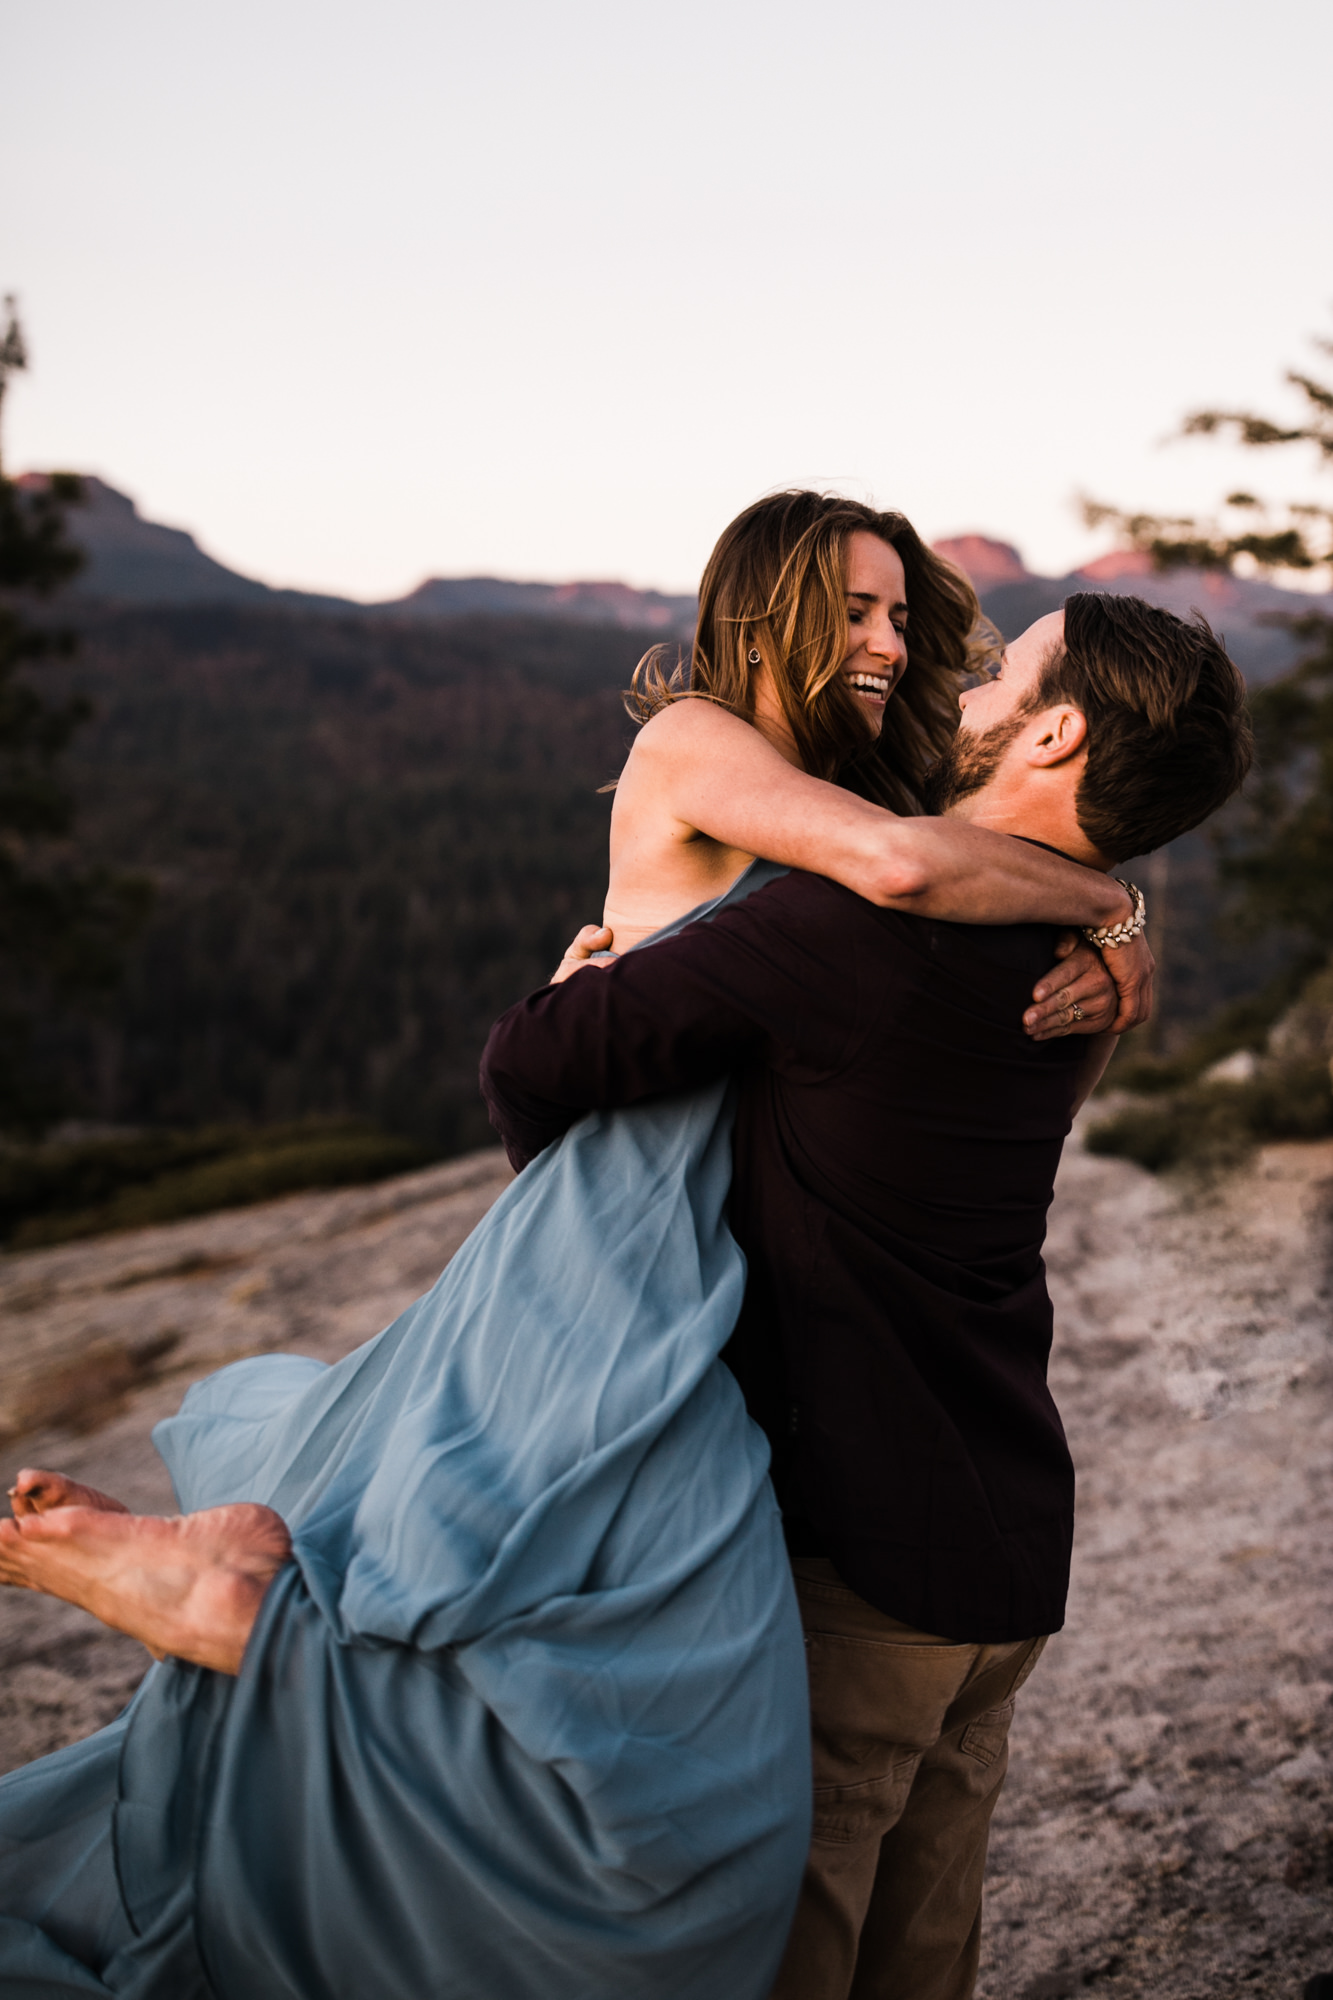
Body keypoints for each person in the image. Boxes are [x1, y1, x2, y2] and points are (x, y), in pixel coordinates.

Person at [0, 496, 1148, 2000]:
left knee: (617, 1609)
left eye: (899, 617)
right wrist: (1108, 901)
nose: (886, 643)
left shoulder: (864, 782)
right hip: (631, 1208)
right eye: (853, 612)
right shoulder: (699, 742)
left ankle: (250, 1612)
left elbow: (988, 841)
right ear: (766, 612)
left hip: (725, 1233)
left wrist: (1124, 928)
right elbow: (904, 872)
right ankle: (246, 1618)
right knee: (518, 1588)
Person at [479, 588, 1253, 2000]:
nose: (951, 693)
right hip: (998, 1548)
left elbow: (536, 1060)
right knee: (919, 1963)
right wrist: (1120, 906)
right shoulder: (1075, 974)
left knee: (786, 1959)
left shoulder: (848, 935)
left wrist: (595, 1121)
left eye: (995, 676)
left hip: (860, 1569)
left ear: (1054, 729)